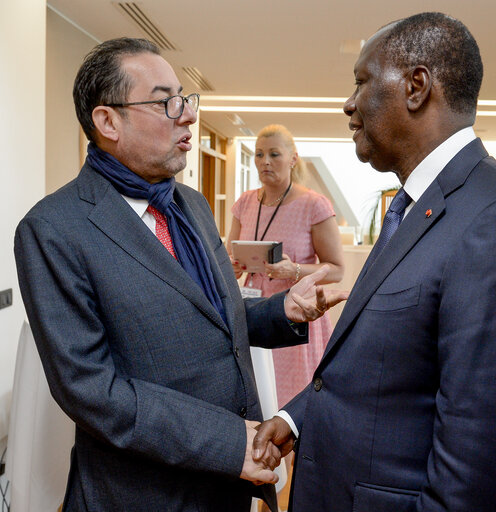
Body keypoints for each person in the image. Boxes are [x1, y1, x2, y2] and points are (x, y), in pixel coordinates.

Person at [253, 12, 496, 512]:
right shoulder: (412, 207)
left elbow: (479, 481)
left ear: (416, 87)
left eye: (361, 81)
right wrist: (298, 418)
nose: (348, 102)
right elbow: (388, 366)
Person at [13, 38, 347, 512]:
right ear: (108, 121)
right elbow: (92, 391)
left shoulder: (190, 205)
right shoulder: (53, 230)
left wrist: (282, 310)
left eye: (186, 100)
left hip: (225, 488)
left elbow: (208, 315)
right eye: (165, 101)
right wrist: (230, 443)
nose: (187, 115)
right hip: (144, 494)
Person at [227, 124, 344, 409]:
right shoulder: (244, 203)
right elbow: (227, 257)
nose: (265, 161)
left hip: (294, 315)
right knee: (257, 399)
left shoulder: (313, 204)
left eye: (274, 154)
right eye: (259, 154)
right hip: (252, 314)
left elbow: (337, 269)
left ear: (293, 158)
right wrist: (234, 266)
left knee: (292, 405)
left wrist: (293, 271)